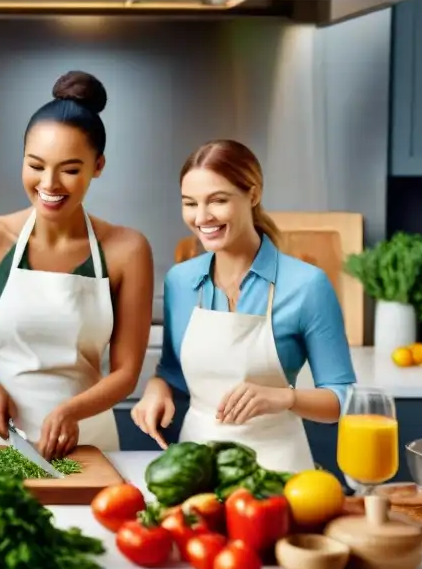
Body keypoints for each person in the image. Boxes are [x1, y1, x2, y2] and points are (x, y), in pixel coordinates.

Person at [0, 71, 154, 460]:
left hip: (86, 440)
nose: (50, 183)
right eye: (36, 165)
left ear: (99, 165)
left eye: (71, 169)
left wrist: (71, 410)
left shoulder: (128, 250)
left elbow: (126, 373)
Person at [132, 139, 356, 473]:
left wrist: (286, 397)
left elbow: (343, 400)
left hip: (277, 471)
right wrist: (155, 391)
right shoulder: (180, 281)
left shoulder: (307, 286)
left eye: (218, 200)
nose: (202, 217)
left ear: (253, 195)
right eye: (190, 203)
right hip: (196, 468)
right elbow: (171, 372)